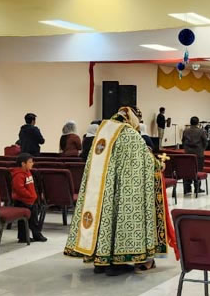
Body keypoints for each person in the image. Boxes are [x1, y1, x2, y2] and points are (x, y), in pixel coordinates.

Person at [65, 107, 173, 275]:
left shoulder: (102, 132)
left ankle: (101, 261)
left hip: (102, 188)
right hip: (120, 188)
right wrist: (160, 164)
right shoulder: (129, 134)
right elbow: (145, 160)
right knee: (118, 217)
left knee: (104, 217)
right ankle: (116, 262)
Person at [10, 153, 46, 243]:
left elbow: (31, 186)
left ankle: (36, 234)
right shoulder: (18, 175)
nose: (32, 163)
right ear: (23, 164)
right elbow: (19, 189)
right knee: (23, 221)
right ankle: (23, 237)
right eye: (30, 162)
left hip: (31, 200)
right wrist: (29, 195)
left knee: (34, 219)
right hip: (22, 201)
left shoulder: (28, 172)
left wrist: (33, 196)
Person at [181, 116, 207, 195]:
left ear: (190, 122)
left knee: (187, 170)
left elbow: (183, 141)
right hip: (198, 154)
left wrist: (186, 149)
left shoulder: (185, 131)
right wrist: (202, 149)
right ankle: (197, 188)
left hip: (188, 154)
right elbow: (205, 142)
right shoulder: (201, 131)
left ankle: (187, 189)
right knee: (198, 170)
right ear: (198, 123)